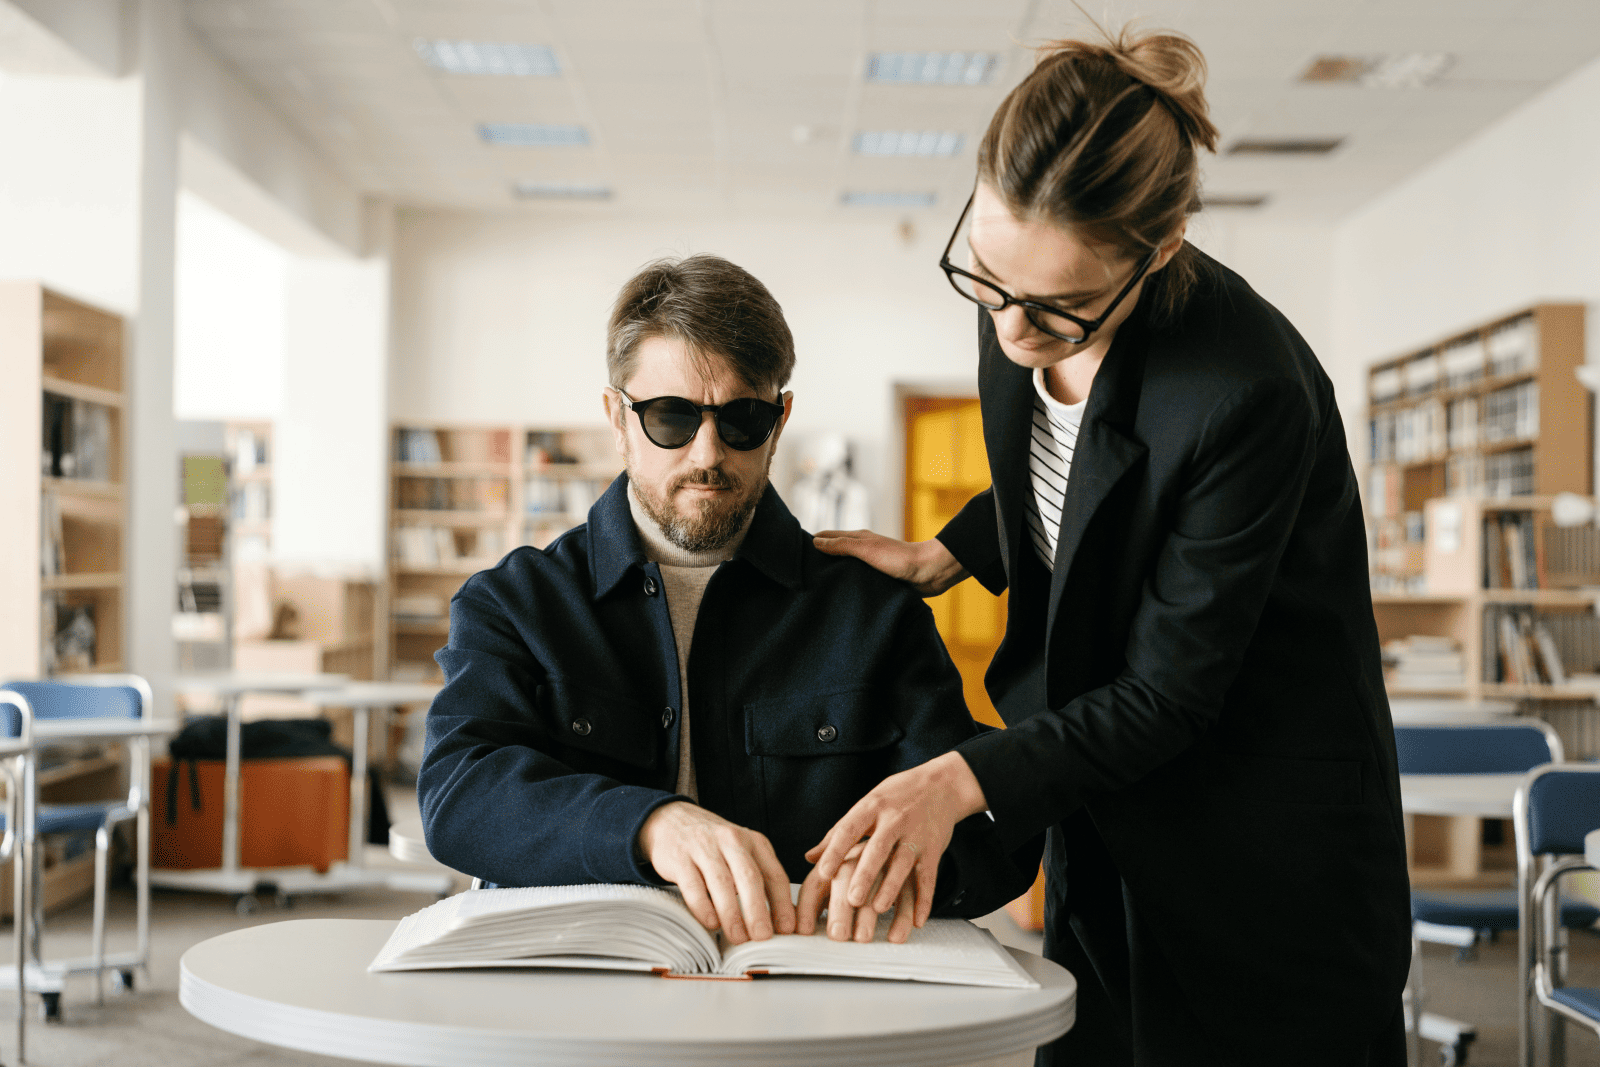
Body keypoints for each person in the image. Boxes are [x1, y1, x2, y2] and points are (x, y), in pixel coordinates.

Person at [804, 24, 1412, 1067]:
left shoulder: (1243, 391)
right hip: (1104, 798)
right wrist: (946, 553)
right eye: (987, 278)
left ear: (1161, 248)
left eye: (1059, 307)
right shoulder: (1021, 290)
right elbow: (1072, 472)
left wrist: (955, 779)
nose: (1009, 329)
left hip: (1257, 832)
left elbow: (1170, 692)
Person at [418, 253, 1038, 947]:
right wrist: (649, 824)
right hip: (581, 1004)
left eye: (742, 419)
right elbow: (459, 793)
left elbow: (988, 835)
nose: (708, 452)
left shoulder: (872, 610)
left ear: (780, 418)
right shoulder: (514, 602)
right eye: (671, 417)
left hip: (810, 1005)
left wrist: (902, 866)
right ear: (615, 417)